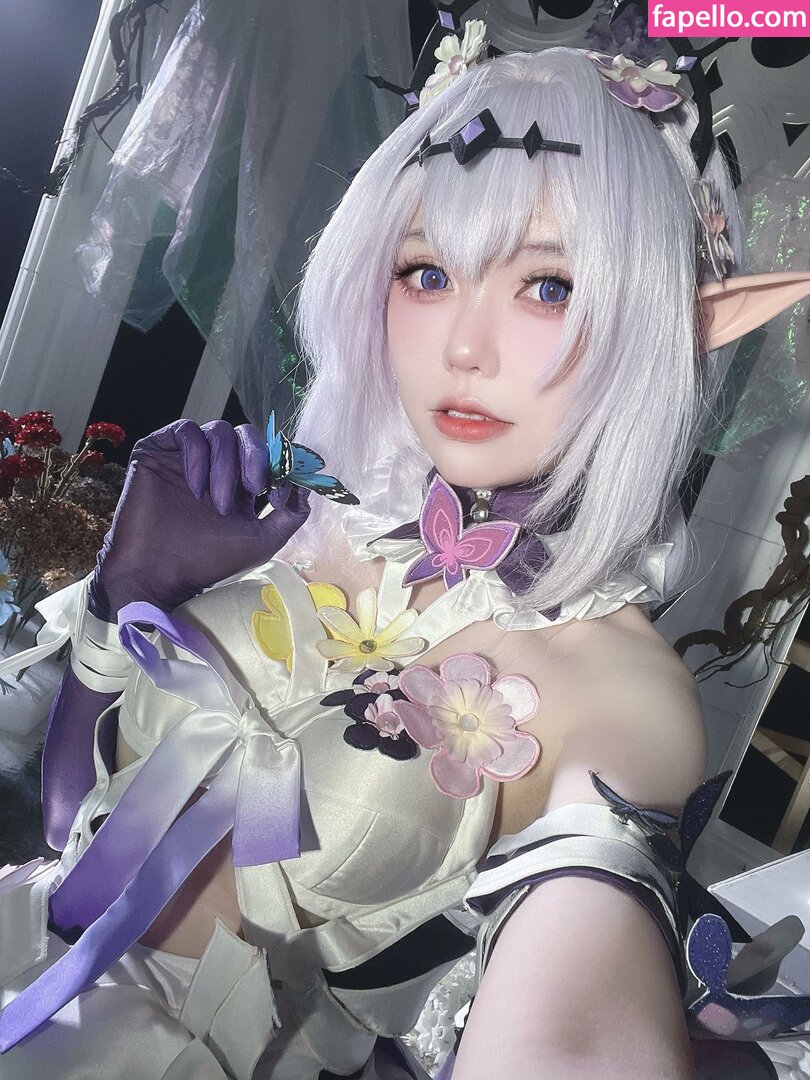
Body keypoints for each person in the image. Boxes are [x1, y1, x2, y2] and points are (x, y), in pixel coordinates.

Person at [1, 42, 809, 1080]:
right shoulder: (292, 509)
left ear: (673, 325)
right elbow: (72, 826)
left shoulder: (621, 690)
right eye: (428, 273)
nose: (464, 346)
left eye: (549, 285)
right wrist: (125, 591)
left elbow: (572, 1030)